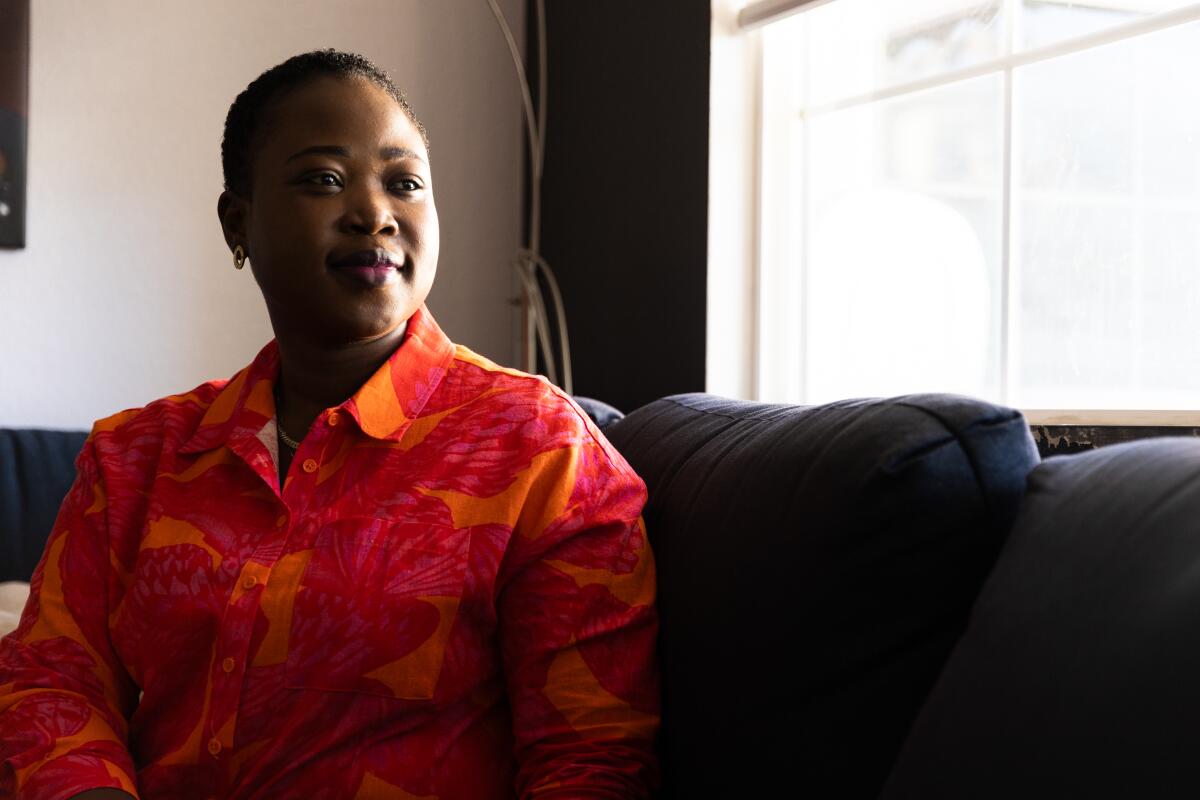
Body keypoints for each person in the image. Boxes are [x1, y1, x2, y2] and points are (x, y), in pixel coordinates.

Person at [0, 50, 659, 799]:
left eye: (405, 183)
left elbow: (592, 761)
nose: (374, 212)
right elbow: (51, 684)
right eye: (323, 179)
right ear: (237, 222)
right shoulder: (134, 459)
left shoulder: (543, 451)